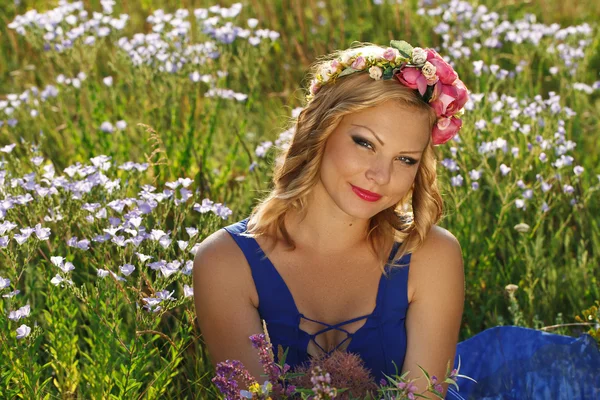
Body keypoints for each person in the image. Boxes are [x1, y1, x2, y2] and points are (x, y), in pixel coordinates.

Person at [193, 41, 600, 399]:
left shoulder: (431, 255)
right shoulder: (225, 263)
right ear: (316, 129)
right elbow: (250, 394)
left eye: (405, 159)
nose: (381, 176)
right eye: (365, 143)